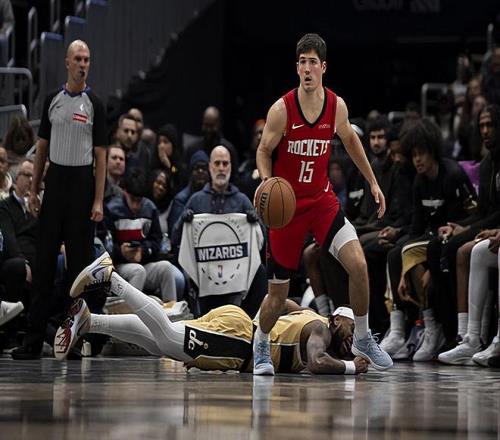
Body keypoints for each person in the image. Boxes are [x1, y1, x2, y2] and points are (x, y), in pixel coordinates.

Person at [253, 33, 392, 375]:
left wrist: (373, 182)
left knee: (358, 265)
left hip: (321, 201)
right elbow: (263, 150)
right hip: (287, 210)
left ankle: (363, 338)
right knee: (277, 295)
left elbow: (351, 141)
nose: (307, 68)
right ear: (297, 68)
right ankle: (261, 341)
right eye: (302, 62)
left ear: (323, 67)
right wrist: (267, 182)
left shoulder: (336, 106)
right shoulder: (281, 110)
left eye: (312, 62)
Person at [54, 252, 369, 375]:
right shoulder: (321, 329)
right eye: (353, 327)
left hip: (239, 327)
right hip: (239, 342)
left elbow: (279, 302)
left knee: (160, 344)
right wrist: (351, 367)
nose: (353, 337)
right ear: (337, 318)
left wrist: (263, 323)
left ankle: (91, 322)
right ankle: (111, 278)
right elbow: (317, 362)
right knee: (167, 336)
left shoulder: (305, 314)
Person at [11, 39, 107, 359]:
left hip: (82, 187)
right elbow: (41, 148)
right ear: (67, 62)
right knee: (43, 265)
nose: (83, 64)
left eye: (87, 59)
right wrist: (35, 189)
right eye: (78, 59)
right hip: (55, 185)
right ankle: (33, 341)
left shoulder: (95, 104)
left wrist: (98, 200)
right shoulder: (53, 100)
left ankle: (72, 341)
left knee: (78, 271)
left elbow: (101, 156)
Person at [173, 145, 266, 317]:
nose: (221, 168)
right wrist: (182, 221)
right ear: (210, 167)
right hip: (205, 277)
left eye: (225, 163)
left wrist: (256, 223)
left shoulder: (242, 200)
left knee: (260, 271)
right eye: (217, 163)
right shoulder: (196, 200)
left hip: (237, 280)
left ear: (230, 167)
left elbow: (261, 241)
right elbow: (176, 238)